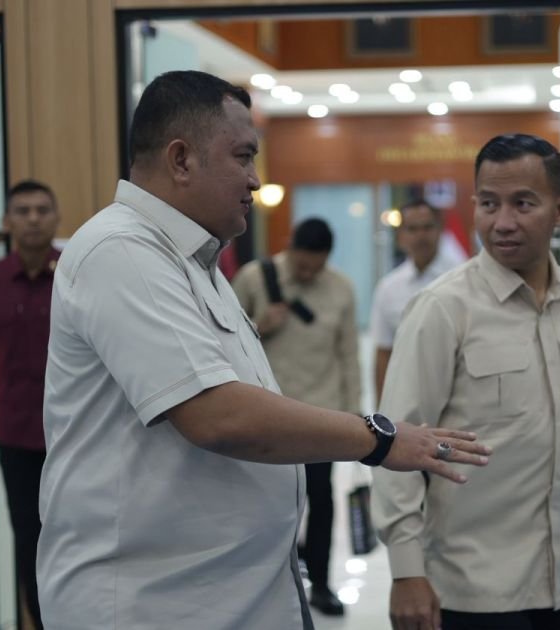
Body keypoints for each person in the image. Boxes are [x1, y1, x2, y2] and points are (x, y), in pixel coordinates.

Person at [35, 70, 489, 630]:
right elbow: (217, 415)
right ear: (181, 160)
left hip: (229, 590)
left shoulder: (194, 260)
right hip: (152, 602)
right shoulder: (122, 252)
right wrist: (377, 439)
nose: (255, 180)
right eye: (244, 157)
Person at [372, 133, 560, 630]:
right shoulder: (443, 308)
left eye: (523, 204)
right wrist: (406, 571)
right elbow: (395, 445)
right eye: (488, 204)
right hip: (471, 589)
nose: (503, 223)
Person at [232, 217, 361, 617]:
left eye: (315, 267)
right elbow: (224, 344)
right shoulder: (255, 278)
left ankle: (320, 584)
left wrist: (356, 418)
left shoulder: (341, 289)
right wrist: (260, 326)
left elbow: (348, 355)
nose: (307, 273)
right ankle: (263, 587)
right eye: (301, 265)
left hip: (321, 416)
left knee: (321, 501)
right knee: (267, 505)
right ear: (290, 249)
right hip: (267, 416)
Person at [0, 179, 61, 630]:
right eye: (22, 211)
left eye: (42, 210)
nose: (32, 219)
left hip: (73, 435)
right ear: (7, 222)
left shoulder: (75, 274)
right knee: (28, 538)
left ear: (56, 218)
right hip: (16, 432)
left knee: (76, 536)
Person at [368, 199, 459, 403]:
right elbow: (383, 353)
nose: (421, 236)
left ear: (440, 231)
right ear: (400, 237)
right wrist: (382, 411)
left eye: (427, 227)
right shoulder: (388, 288)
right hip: (406, 397)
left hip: (457, 395)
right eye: (412, 229)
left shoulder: (463, 279)